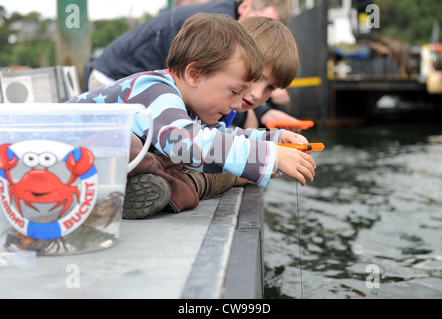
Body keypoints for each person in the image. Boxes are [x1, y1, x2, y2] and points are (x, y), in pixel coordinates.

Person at [69, 13, 316, 219]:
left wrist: (272, 140)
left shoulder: (189, 107)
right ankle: (140, 190)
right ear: (195, 74)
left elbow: (220, 137)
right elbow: (188, 143)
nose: (235, 104)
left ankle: (155, 187)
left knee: (169, 160)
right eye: (233, 92)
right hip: (65, 152)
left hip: (96, 163)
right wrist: (270, 157)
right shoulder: (156, 90)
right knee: (131, 145)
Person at [87, 0, 301, 130]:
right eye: (262, 21)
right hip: (114, 79)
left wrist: (263, 113)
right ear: (245, 7)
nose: (266, 30)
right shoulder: (215, 29)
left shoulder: (228, 36)